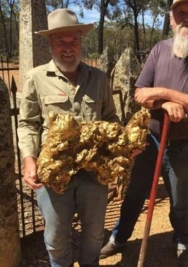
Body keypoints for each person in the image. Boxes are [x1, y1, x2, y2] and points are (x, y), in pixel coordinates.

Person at [99, 0, 188, 266]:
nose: (186, 18)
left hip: (184, 145)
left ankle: (182, 243)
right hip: (150, 140)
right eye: (181, 12)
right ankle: (119, 238)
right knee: (134, 194)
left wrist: (165, 92)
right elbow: (140, 93)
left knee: (179, 200)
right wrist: (165, 103)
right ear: (171, 19)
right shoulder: (159, 50)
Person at [17, 9, 121, 267]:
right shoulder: (36, 78)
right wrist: (29, 160)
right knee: (55, 237)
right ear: (50, 43)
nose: (67, 48)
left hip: (94, 172)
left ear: (80, 42)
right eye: (60, 42)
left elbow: (111, 119)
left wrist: (121, 146)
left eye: (73, 41)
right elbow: (27, 123)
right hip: (53, 174)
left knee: (95, 235)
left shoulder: (98, 79)